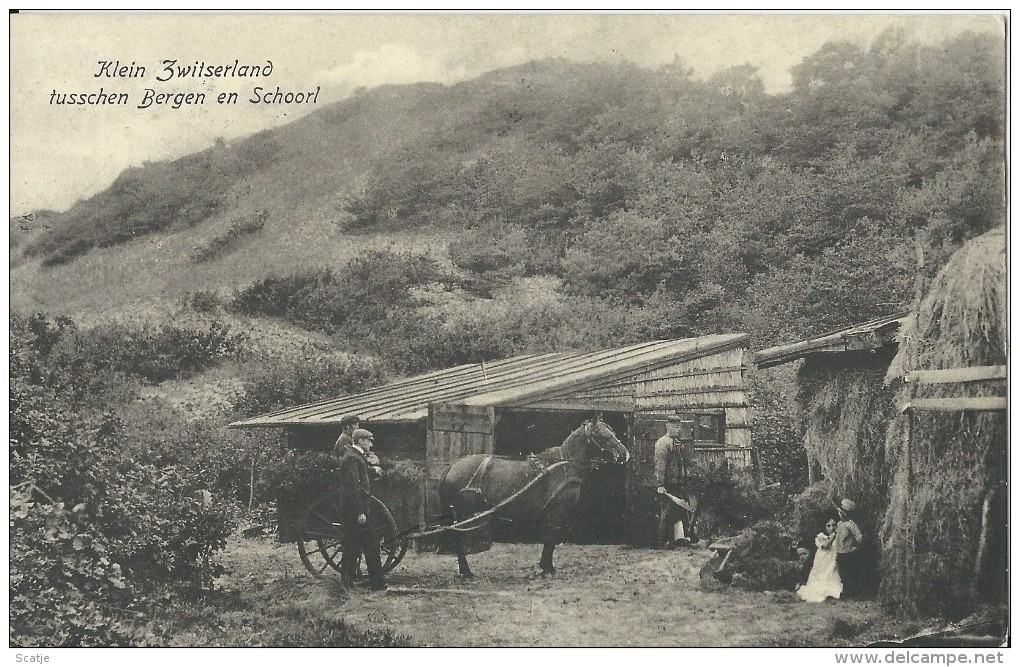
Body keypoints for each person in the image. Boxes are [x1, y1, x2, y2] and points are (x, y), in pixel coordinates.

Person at [337, 428, 386, 591]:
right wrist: (360, 512)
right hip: (354, 510)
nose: (371, 444)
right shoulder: (352, 458)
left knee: (357, 545)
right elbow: (353, 487)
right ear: (360, 441)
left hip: (356, 510)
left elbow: (361, 473)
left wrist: (373, 470)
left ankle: (358, 584)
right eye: (369, 440)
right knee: (356, 546)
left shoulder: (355, 456)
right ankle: (369, 585)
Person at [654, 415, 694, 548]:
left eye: (678, 426)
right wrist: (660, 484)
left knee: (681, 511)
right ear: (667, 426)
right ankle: (663, 541)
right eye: (674, 426)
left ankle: (680, 539)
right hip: (669, 484)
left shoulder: (678, 442)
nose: (676, 429)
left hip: (679, 483)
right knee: (666, 513)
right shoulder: (662, 443)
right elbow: (660, 465)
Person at [796, 514, 842, 602]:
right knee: (821, 576)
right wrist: (833, 536)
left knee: (832, 574)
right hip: (822, 561)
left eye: (834, 525)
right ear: (824, 527)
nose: (831, 528)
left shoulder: (838, 538)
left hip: (832, 560)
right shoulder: (821, 537)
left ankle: (831, 593)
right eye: (828, 526)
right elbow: (825, 546)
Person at [834, 498, 863, 599]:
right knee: (843, 573)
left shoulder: (851, 525)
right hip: (840, 552)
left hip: (849, 553)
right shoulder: (839, 524)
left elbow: (859, 537)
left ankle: (853, 593)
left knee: (851, 573)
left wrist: (854, 546)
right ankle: (846, 591)